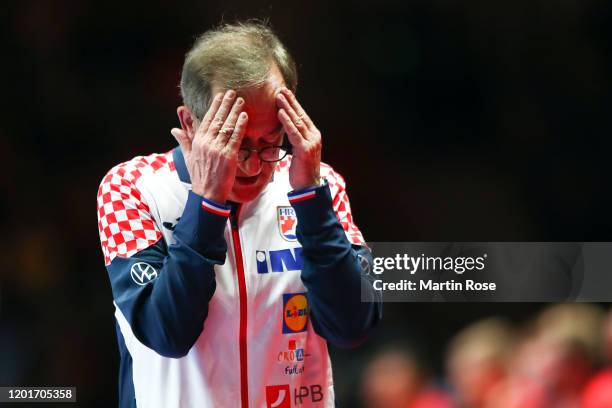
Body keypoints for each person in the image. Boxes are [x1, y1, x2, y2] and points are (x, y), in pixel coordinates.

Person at [96, 21, 381, 408]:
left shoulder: (318, 182)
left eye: (271, 142)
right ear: (189, 122)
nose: (251, 166)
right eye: (234, 143)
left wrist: (310, 200)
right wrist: (207, 203)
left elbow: (353, 327)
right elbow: (166, 334)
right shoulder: (130, 188)